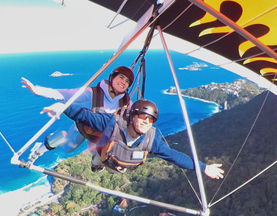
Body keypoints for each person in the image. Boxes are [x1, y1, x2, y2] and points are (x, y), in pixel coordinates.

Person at [41, 99, 224, 179]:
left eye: (151, 119)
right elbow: (83, 115)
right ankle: (93, 163)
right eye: (143, 117)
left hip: (119, 163)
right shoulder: (112, 123)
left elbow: (174, 156)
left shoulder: (151, 140)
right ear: (132, 117)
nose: (146, 122)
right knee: (94, 157)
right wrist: (61, 106)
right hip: (103, 151)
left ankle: (101, 164)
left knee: (114, 170)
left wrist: (203, 167)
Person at [22, 66, 134, 158]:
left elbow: (135, 119)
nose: (123, 82)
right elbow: (65, 94)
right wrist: (37, 90)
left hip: (100, 134)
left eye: (127, 81)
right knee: (68, 148)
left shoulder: (126, 102)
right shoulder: (92, 93)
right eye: (121, 77)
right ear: (112, 78)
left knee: (102, 155)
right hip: (83, 128)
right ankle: (44, 145)